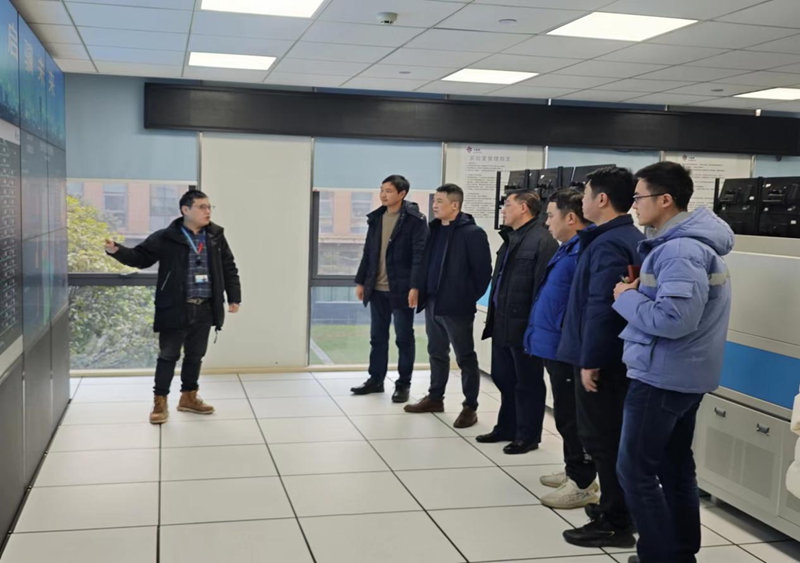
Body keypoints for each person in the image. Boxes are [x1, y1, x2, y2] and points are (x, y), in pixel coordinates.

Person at [613, 162, 734, 563]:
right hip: (683, 374)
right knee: (675, 467)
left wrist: (625, 298)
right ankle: (679, 554)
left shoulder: (680, 250)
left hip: (662, 377)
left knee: (635, 471)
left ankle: (660, 557)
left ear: (665, 200)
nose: (633, 205)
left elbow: (675, 320)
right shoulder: (685, 246)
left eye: (638, 197)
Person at [557, 167, 644, 548]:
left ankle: (615, 521)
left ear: (602, 199)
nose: (583, 201)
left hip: (603, 361)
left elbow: (601, 308)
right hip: (614, 356)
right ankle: (616, 506)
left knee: (601, 439)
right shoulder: (623, 237)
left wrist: (589, 360)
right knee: (609, 437)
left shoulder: (608, 243)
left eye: (587, 194)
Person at [105, 190, 241, 424]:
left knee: (195, 355)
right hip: (175, 306)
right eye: (202, 207)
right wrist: (117, 250)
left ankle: (189, 397)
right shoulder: (166, 237)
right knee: (168, 355)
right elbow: (140, 258)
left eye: (209, 207)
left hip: (205, 307)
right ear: (185, 210)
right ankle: (160, 401)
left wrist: (234, 297)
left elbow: (229, 267)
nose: (207, 211)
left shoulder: (215, 236)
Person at [523, 188, 598, 510]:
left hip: (567, 347)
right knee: (566, 415)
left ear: (570, 218)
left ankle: (582, 483)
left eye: (551, 216)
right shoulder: (568, 248)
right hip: (555, 345)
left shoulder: (584, 251)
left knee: (572, 418)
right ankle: (573, 470)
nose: (547, 222)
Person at [404, 184, 492, 428]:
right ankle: (435, 398)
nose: (435, 205)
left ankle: (470, 407)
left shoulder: (472, 233)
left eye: (440, 201)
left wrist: (465, 298)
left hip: (457, 307)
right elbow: (424, 263)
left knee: (465, 357)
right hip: (433, 302)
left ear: (455, 205)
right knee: (436, 352)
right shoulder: (433, 230)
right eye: (434, 201)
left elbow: (483, 273)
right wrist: (416, 288)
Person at [478, 190, 558, 454]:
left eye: (508, 205)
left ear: (524, 208)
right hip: (502, 322)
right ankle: (507, 427)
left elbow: (542, 290)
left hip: (524, 326)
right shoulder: (510, 238)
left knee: (527, 383)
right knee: (504, 378)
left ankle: (528, 435)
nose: (503, 209)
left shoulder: (542, 240)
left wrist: (536, 328)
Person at [351, 175, 428, 403]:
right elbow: (368, 252)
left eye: (389, 191)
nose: (383, 195)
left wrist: (415, 287)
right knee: (377, 338)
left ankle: (403, 385)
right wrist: (361, 281)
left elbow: (419, 256)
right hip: (376, 289)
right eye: (382, 190)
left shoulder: (415, 220)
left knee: (404, 338)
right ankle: (376, 380)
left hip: (401, 290)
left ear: (402, 194)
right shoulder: (376, 218)